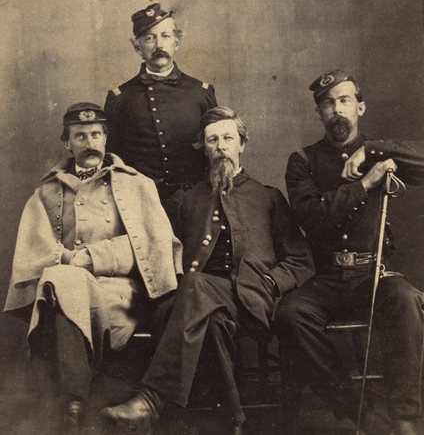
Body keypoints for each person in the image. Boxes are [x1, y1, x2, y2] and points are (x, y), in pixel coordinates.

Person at [100, 106, 315, 435]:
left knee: (197, 285)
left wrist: (271, 283)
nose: (221, 146)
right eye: (212, 140)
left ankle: (152, 400)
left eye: (228, 137)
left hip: (252, 298)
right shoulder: (184, 200)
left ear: (242, 144)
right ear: (204, 148)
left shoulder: (268, 197)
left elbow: (301, 260)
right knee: (209, 316)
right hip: (195, 304)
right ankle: (233, 423)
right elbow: (158, 254)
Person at [4, 103, 182, 435]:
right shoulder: (46, 192)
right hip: (69, 289)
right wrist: (72, 266)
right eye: (80, 136)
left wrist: (90, 257)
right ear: (67, 142)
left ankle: (72, 402)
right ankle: (73, 405)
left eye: (96, 134)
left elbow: (152, 246)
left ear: (106, 138)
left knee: (62, 278)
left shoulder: (136, 184)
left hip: (122, 294)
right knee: (61, 279)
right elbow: (33, 252)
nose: (90, 142)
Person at [276, 68, 424, 435]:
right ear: (319, 113)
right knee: (291, 315)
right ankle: (359, 411)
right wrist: (367, 184)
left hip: (373, 275)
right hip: (324, 278)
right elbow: (313, 219)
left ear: (360, 107)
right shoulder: (302, 161)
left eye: (344, 101)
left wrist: (371, 152)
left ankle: (406, 418)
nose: (336, 109)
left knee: (405, 300)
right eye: (328, 104)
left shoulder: (378, 151)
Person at [104, 3, 218, 203]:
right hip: (141, 202)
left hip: (195, 202)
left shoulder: (202, 93)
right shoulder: (119, 99)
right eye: (149, 38)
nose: (159, 45)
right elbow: (113, 160)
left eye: (165, 36)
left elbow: (215, 150)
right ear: (137, 47)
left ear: (177, 42)